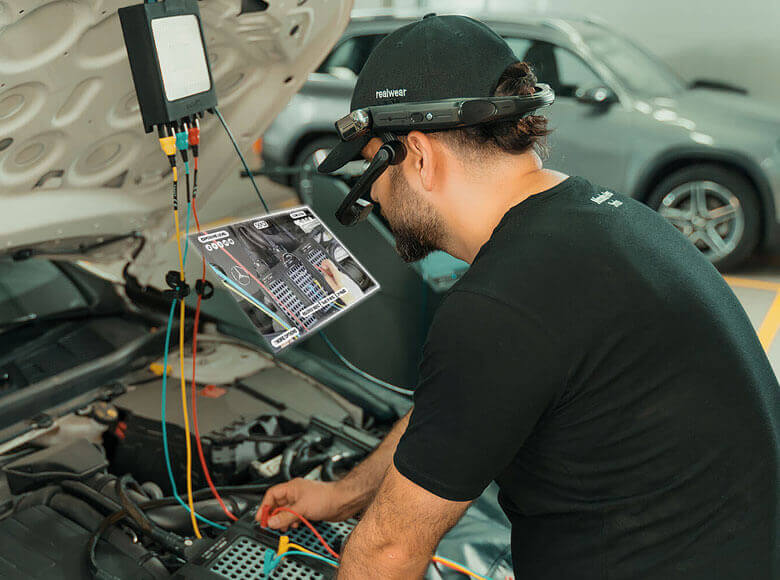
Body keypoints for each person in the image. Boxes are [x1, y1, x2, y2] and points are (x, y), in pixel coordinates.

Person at [257, 14, 780, 580]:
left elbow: (388, 553)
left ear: (419, 156)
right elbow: (455, 413)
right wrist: (343, 496)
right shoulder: (603, 219)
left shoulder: (503, 304)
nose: (375, 198)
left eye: (370, 173)